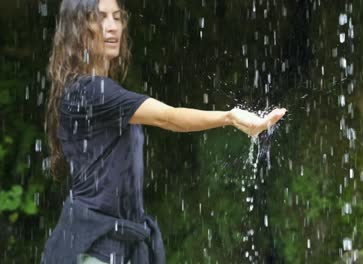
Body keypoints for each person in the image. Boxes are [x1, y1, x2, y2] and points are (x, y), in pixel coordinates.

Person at [41, 0, 286, 263]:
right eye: (99, 18)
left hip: (111, 245)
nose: (112, 27)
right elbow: (169, 117)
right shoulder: (89, 92)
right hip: (93, 248)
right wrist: (229, 117)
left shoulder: (94, 90)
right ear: (77, 28)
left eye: (117, 17)